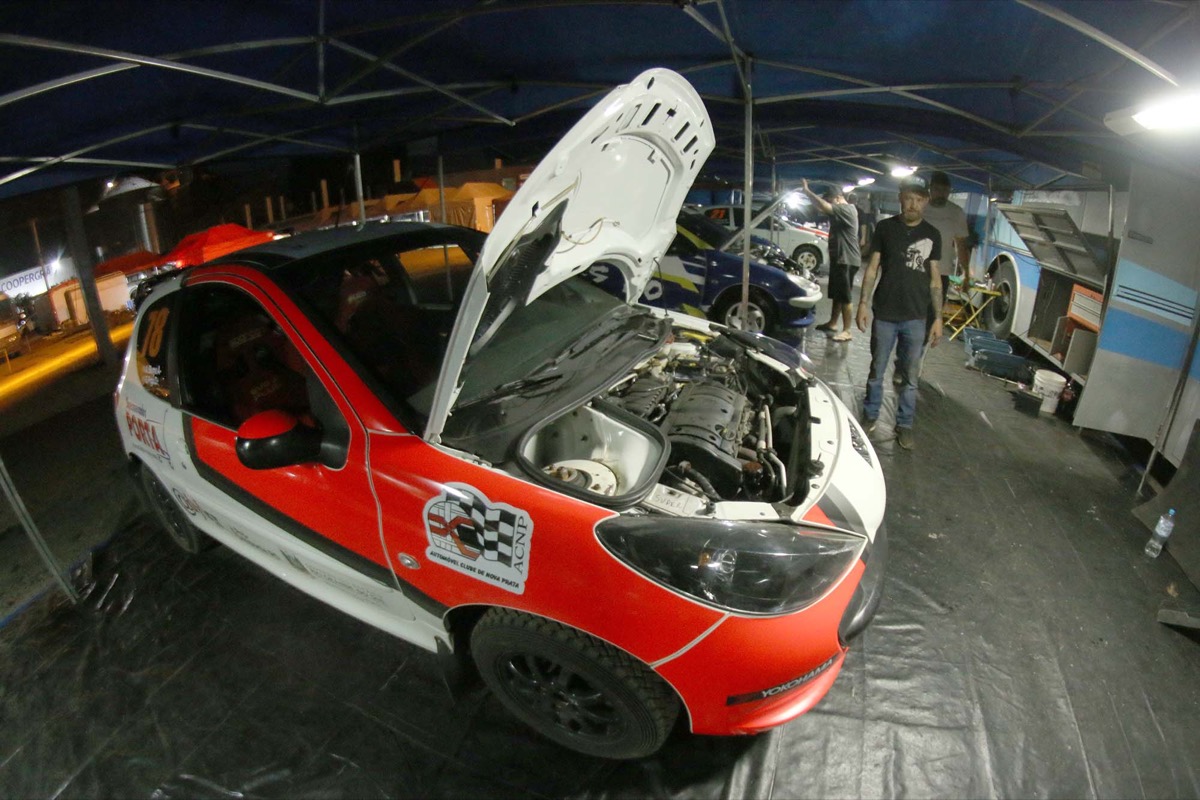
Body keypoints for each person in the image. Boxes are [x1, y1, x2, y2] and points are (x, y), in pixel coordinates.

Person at [856, 175, 942, 450]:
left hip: (917, 317)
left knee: (910, 378)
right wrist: (863, 304)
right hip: (884, 313)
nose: (913, 204)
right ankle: (870, 415)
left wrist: (938, 318)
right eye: (908, 198)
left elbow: (935, 280)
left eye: (918, 199)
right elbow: (872, 268)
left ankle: (904, 425)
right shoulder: (885, 228)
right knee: (877, 371)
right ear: (900, 199)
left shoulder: (933, 234)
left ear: (925, 202)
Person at [893, 170, 971, 384]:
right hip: (914, 272)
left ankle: (913, 363)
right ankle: (901, 364)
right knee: (907, 318)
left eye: (945, 191)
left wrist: (966, 273)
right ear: (930, 190)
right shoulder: (920, 208)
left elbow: (961, 245)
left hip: (941, 275)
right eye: (937, 189)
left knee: (928, 322)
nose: (941, 194)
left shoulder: (956, 213)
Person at [801, 179, 859, 341]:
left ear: (838, 198)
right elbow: (821, 207)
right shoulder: (839, 210)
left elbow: (824, 206)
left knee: (845, 296)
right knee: (838, 294)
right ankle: (833, 323)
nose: (828, 203)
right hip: (840, 258)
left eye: (830, 200)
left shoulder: (846, 209)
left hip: (847, 259)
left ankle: (847, 330)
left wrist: (807, 191)